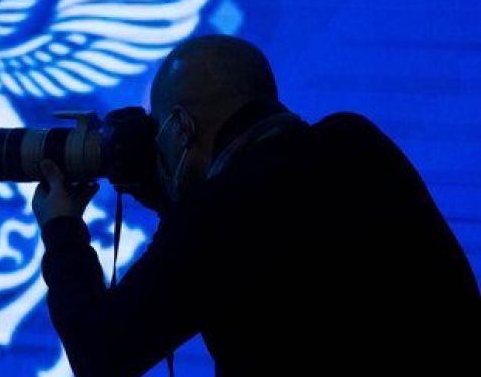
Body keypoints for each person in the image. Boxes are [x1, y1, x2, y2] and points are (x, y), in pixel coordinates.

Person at [33, 35, 479, 376]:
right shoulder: (357, 142)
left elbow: (101, 355)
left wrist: (62, 229)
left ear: (182, 126)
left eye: (161, 130)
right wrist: (170, 197)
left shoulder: (220, 212)